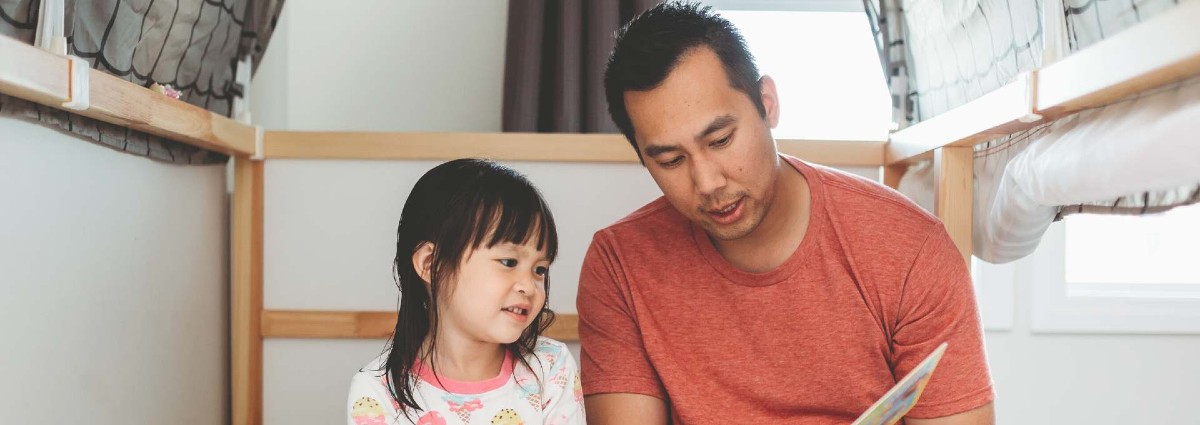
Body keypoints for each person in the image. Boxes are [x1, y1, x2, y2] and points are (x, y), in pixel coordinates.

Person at [578, 2, 995, 424]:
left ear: (767, 102)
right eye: (670, 160)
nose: (707, 183)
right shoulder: (620, 264)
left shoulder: (909, 249)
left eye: (721, 140)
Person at [348, 159, 585, 425]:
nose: (528, 286)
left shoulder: (550, 367)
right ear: (431, 264)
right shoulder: (378, 391)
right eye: (509, 262)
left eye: (540, 270)